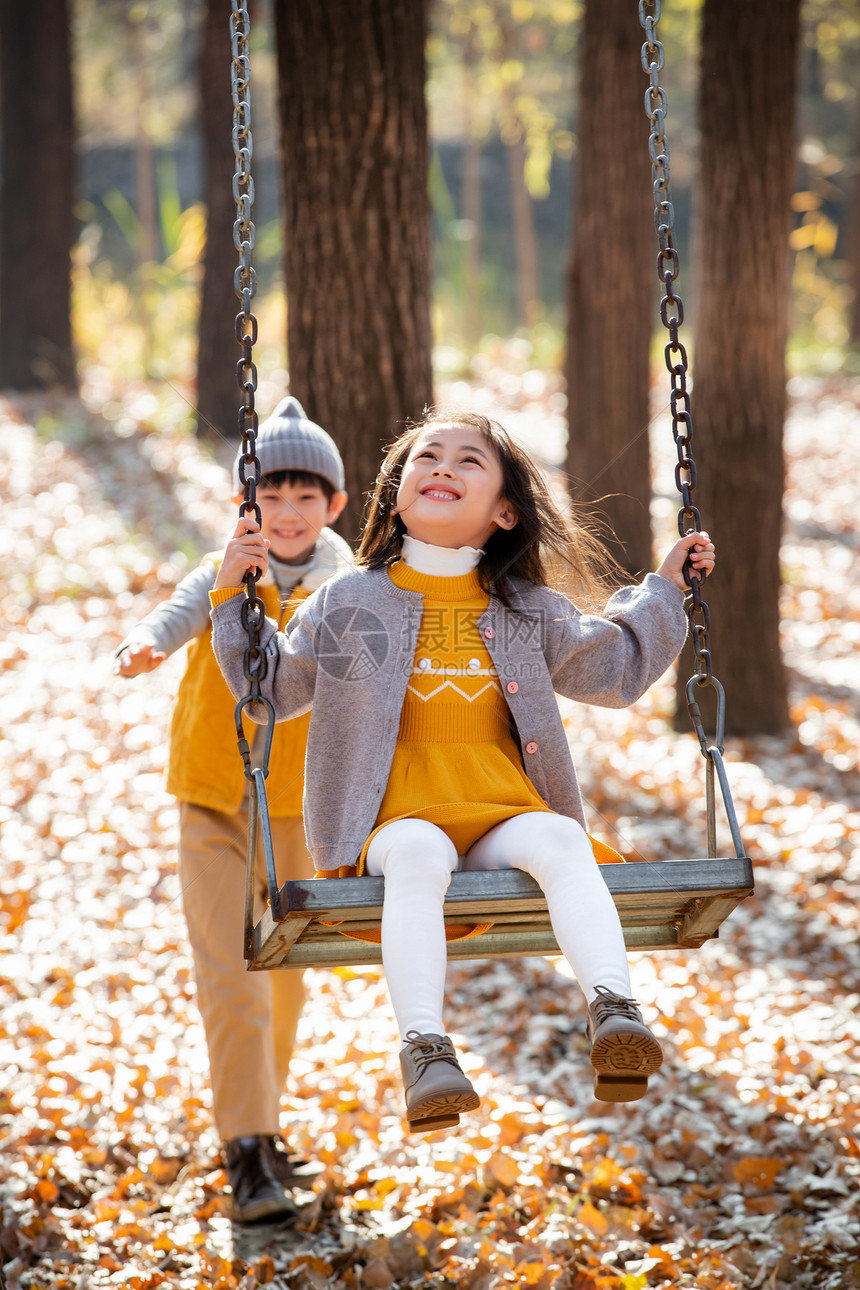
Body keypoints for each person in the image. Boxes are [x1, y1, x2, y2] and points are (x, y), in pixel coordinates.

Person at [209, 408, 715, 1133]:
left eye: (469, 461)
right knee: (415, 857)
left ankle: (614, 1011)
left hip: (501, 812)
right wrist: (234, 598)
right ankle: (425, 1048)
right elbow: (274, 692)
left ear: (506, 511)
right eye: (427, 457)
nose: (443, 467)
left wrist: (664, 591)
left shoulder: (526, 609)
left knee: (565, 845)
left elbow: (616, 670)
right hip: (391, 820)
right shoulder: (351, 601)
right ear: (394, 493)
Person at [115, 397, 353, 1214]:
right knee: (230, 975)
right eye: (269, 499)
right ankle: (245, 1150)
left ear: (334, 507)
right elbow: (180, 613)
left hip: (300, 811)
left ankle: (266, 1127)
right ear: (242, 508)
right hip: (214, 799)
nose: (286, 515)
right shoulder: (224, 571)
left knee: (284, 982)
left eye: (304, 499)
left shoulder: (347, 585)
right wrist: (149, 641)